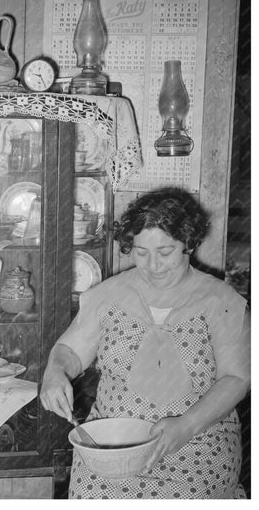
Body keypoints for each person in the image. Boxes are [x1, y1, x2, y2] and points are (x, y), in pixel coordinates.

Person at [40, 187, 250, 499]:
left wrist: (186, 426)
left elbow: (238, 378)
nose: (152, 266)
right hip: (113, 444)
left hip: (199, 443)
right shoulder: (108, 295)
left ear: (188, 244)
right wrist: (54, 372)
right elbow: (70, 351)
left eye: (165, 253)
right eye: (141, 252)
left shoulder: (221, 300)